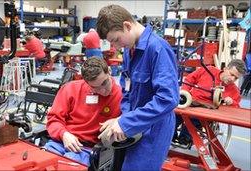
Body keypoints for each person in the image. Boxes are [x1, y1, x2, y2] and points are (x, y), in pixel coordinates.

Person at [96, 4, 179, 170]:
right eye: (112, 43)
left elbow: (168, 99)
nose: (116, 47)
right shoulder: (129, 50)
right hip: (134, 123)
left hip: (155, 126)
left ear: (127, 26)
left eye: (116, 40)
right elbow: (127, 90)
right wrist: (123, 119)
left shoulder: (157, 49)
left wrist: (127, 121)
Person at [44, 57, 122, 166]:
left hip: (86, 149)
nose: (103, 91)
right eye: (95, 88)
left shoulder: (122, 96)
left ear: (109, 71)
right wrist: (63, 134)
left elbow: (132, 119)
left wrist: (118, 120)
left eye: (104, 83)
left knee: (67, 165)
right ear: (86, 83)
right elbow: (53, 119)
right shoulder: (70, 89)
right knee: (43, 163)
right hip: (60, 142)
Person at [174, 59, 247, 145]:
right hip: (190, 103)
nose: (232, 79)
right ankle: (170, 135)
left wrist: (231, 102)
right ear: (225, 69)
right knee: (173, 116)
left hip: (206, 112)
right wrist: (185, 93)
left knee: (193, 120)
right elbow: (189, 80)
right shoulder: (209, 70)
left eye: (236, 78)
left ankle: (185, 138)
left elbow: (236, 109)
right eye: (231, 74)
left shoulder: (234, 90)